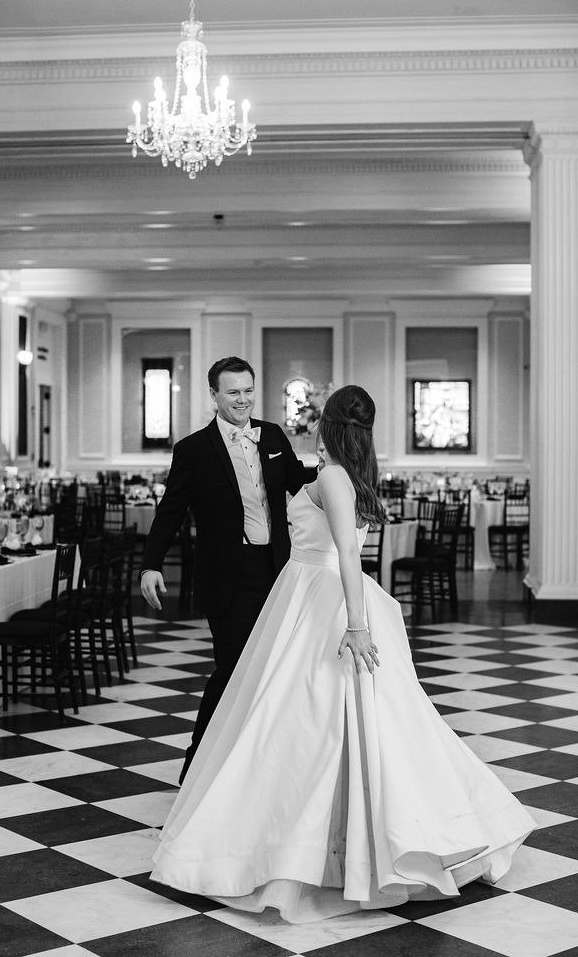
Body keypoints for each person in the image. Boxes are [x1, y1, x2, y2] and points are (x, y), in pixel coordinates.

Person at [150, 384, 535, 924]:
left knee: (306, 721)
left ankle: (309, 844)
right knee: (312, 719)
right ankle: (329, 837)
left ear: (328, 425)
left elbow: (349, 552)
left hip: (321, 599)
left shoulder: (331, 477)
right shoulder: (339, 474)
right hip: (307, 593)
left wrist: (356, 626)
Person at [140, 356, 304, 783]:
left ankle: (257, 770)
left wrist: (344, 480)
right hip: (227, 578)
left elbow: (299, 485)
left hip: (276, 572)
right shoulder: (193, 449)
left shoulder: (271, 436)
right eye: (233, 392)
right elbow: (170, 511)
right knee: (233, 669)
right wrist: (151, 565)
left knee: (271, 670)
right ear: (213, 394)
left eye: (248, 390)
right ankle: (198, 766)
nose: (243, 399)